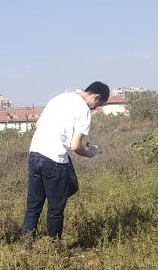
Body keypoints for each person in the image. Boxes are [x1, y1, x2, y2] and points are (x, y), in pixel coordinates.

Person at [20, 82, 109, 240]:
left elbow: (38, 124)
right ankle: (54, 247)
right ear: (96, 97)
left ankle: (26, 244)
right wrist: (90, 154)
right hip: (54, 160)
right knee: (55, 208)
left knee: (33, 205)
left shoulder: (60, 98)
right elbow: (75, 146)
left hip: (35, 154)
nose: (95, 108)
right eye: (98, 105)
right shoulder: (83, 110)